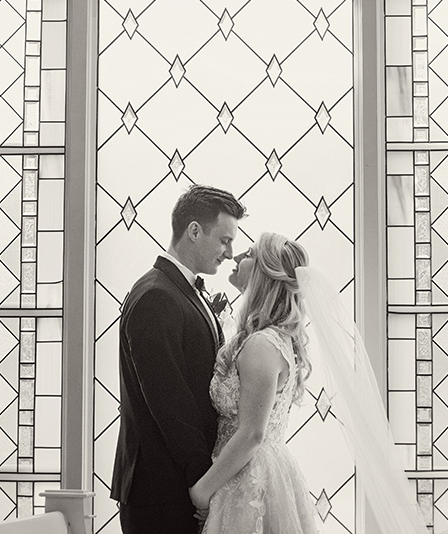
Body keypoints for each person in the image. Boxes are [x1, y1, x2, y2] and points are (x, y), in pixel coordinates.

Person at [111, 184, 246, 534]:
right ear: (194, 230)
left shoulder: (181, 291)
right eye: (224, 240)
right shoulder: (157, 296)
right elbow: (170, 404)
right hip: (162, 493)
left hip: (181, 487)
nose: (230, 253)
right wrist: (204, 484)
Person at [190, 232, 320, 533]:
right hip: (250, 470)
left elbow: (252, 434)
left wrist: (202, 491)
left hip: (249, 479)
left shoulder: (263, 344)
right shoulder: (274, 338)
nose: (235, 257)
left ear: (265, 272)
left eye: (247, 253)